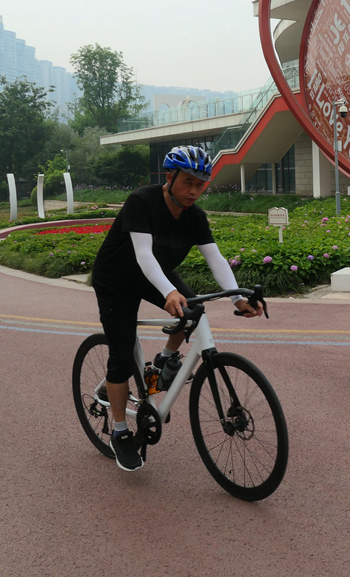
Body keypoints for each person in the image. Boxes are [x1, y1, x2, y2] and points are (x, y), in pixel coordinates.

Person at [91, 145, 261, 472]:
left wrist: (237, 299)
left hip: (156, 275)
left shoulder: (195, 216)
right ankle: (121, 432)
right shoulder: (142, 201)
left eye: (201, 184)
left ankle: (164, 361)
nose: (194, 191)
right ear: (169, 177)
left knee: (193, 312)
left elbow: (216, 259)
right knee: (121, 357)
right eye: (188, 182)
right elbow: (143, 254)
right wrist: (168, 291)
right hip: (117, 280)